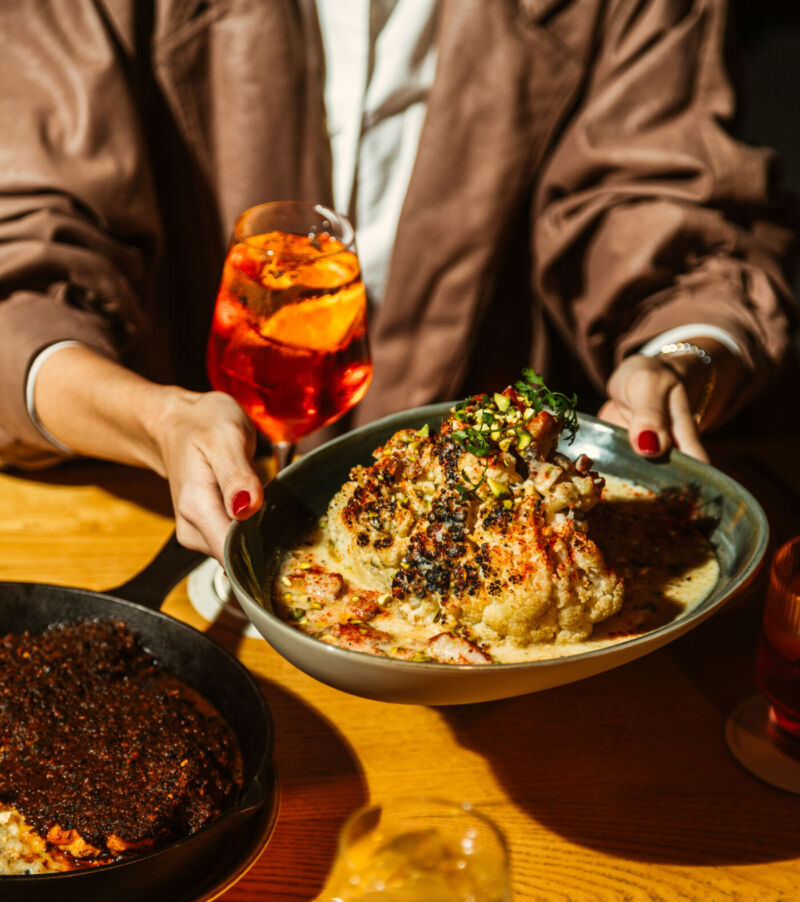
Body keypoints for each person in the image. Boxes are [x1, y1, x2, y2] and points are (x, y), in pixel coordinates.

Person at [0, 0, 794, 563]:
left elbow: (672, 213)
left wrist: (679, 355)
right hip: (149, 521)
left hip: (497, 549)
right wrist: (158, 419)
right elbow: (24, 253)